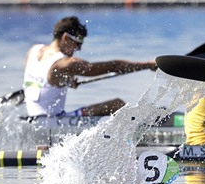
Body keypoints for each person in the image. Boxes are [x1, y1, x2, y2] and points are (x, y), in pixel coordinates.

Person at [23, 16, 157, 117]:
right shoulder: (66, 63)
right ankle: (138, 139)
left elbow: (42, 83)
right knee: (117, 104)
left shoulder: (34, 50)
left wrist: (67, 81)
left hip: (34, 120)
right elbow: (114, 67)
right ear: (65, 38)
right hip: (55, 122)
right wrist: (147, 65)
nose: (79, 48)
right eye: (78, 42)